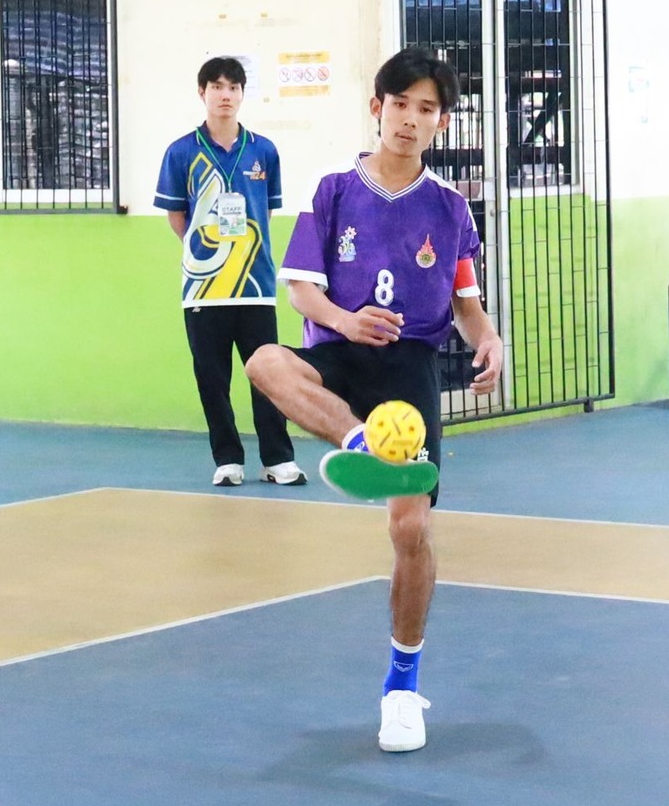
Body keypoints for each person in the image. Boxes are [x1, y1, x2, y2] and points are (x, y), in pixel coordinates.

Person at [245, 47, 503, 754]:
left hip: (410, 369)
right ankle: (361, 443)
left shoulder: (450, 208)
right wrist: (345, 320)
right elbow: (301, 289)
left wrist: (490, 340)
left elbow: (466, 302)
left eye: (427, 109)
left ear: (441, 122)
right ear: (377, 108)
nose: (410, 119)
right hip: (340, 350)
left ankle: (401, 689)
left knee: (410, 531)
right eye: (400, 104)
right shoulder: (334, 190)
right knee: (264, 361)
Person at [154, 56, 302, 488]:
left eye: (233, 87)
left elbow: (266, 212)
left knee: (269, 375)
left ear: (242, 94)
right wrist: (205, 253)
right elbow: (177, 218)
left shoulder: (263, 150)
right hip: (203, 288)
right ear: (202, 93)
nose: (225, 95)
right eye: (217, 87)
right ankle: (228, 459)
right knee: (212, 379)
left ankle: (278, 459)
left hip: (255, 286)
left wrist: (241, 254)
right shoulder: (181, 152)